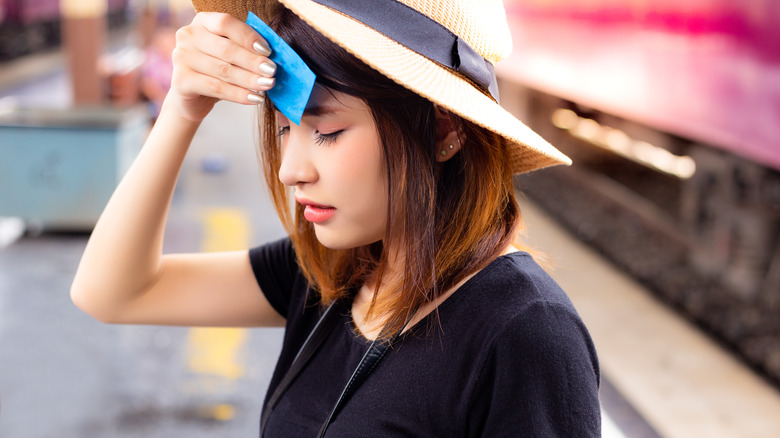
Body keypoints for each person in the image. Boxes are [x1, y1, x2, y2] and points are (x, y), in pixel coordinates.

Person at [71, 0, 601, 436]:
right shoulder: (334, 271)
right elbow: (113, 292)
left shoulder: (525, 333)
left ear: (444, 131)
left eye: (327, 131)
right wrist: (181, 110)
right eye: (283, 128)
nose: (290, 172)